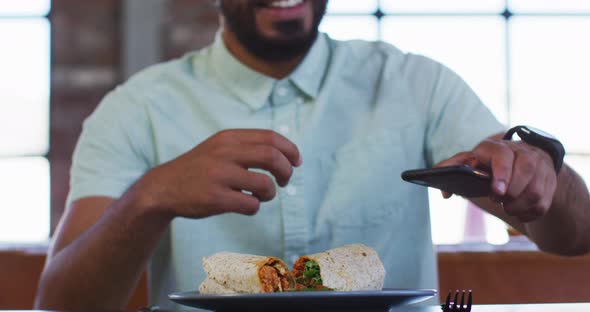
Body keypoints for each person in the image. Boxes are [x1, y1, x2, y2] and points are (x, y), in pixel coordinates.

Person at [36, 0, 590, 310]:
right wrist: (148, 199)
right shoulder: (137, 108)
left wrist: (543, 172)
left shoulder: (415, 85)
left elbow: (575, 236)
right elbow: (61, 307)